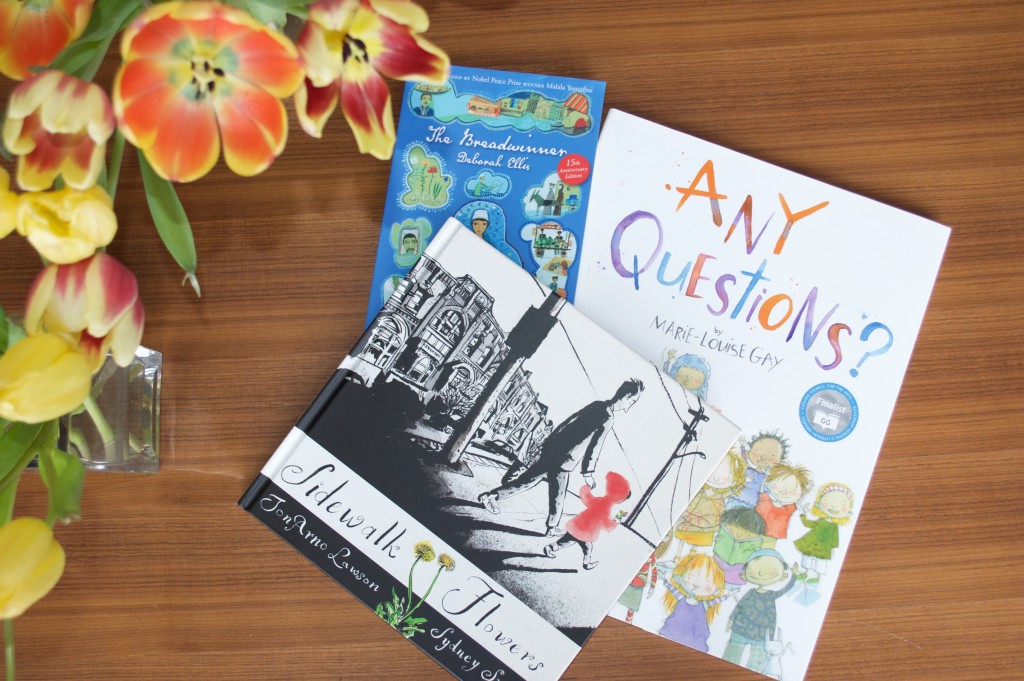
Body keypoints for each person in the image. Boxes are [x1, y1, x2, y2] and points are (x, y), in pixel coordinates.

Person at [478, 378, 644, 535]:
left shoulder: (597, 405)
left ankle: (490, 496)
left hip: (553, 449)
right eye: (632, 401)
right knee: (557, 493)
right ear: (626, 397)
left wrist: (550, 441)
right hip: (565, 459)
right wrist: (588, 472)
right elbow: (594, 447)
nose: (630, 405)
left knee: (528, 480)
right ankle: (551, 527)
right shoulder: (608, 418)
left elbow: (569, 421)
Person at [723, 549, 798, 672]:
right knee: (731, 656)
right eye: (753, 569)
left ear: (783, 576)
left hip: (761, 634)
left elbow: (786, 589)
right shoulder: (750, 593)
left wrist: (794, 576)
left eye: (771, 570)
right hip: (741, 628)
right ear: (744, 574)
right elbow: (740, 606)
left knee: (756, 664)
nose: (761, 573)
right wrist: (731, 619)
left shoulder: (771, 595)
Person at [542, 471, 631, 570]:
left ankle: (549, 548)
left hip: (577, 525)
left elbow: (587, 498)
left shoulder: (599, 500)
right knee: (587, 548)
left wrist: (586, 488)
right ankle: (586, 564)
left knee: (566, 541)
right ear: (620, 499)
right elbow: (607, 526)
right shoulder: (607, 508)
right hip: (586, 532)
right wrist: (616, 521)